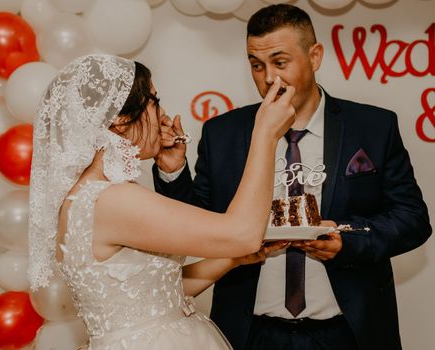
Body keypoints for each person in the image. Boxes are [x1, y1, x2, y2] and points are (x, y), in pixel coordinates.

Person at [153, 4, 431, 350]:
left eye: (280, 62)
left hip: (349, 332)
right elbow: (193, 228)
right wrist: (172, 171)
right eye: (257, 65)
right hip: (250, 333)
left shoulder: (373, 127)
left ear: (314, 56)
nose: (269, 78)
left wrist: (349, 240)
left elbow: (413, 219)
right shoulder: (222, 133)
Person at [27, 54, 294, 349]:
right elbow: (242, 234)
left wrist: (233, 259)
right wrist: (266, 134)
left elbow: (159, 293)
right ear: (120, 120)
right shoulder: (111, 200)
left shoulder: (90, 195)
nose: (163, 114)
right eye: (154, 101)